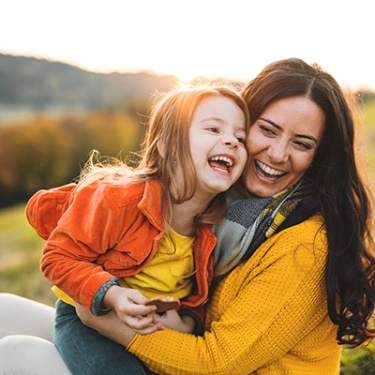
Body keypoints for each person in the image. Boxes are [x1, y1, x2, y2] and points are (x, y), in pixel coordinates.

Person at [0, 57, 374, 375]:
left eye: (301, 143)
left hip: (194, 361)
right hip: (146, 329)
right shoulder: (224, 208)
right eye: (267, 130)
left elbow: (217, 361)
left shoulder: (302, 243)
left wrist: (102, 313)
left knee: (17, 354)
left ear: (320, 155)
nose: (277, 154)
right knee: (4, 310)